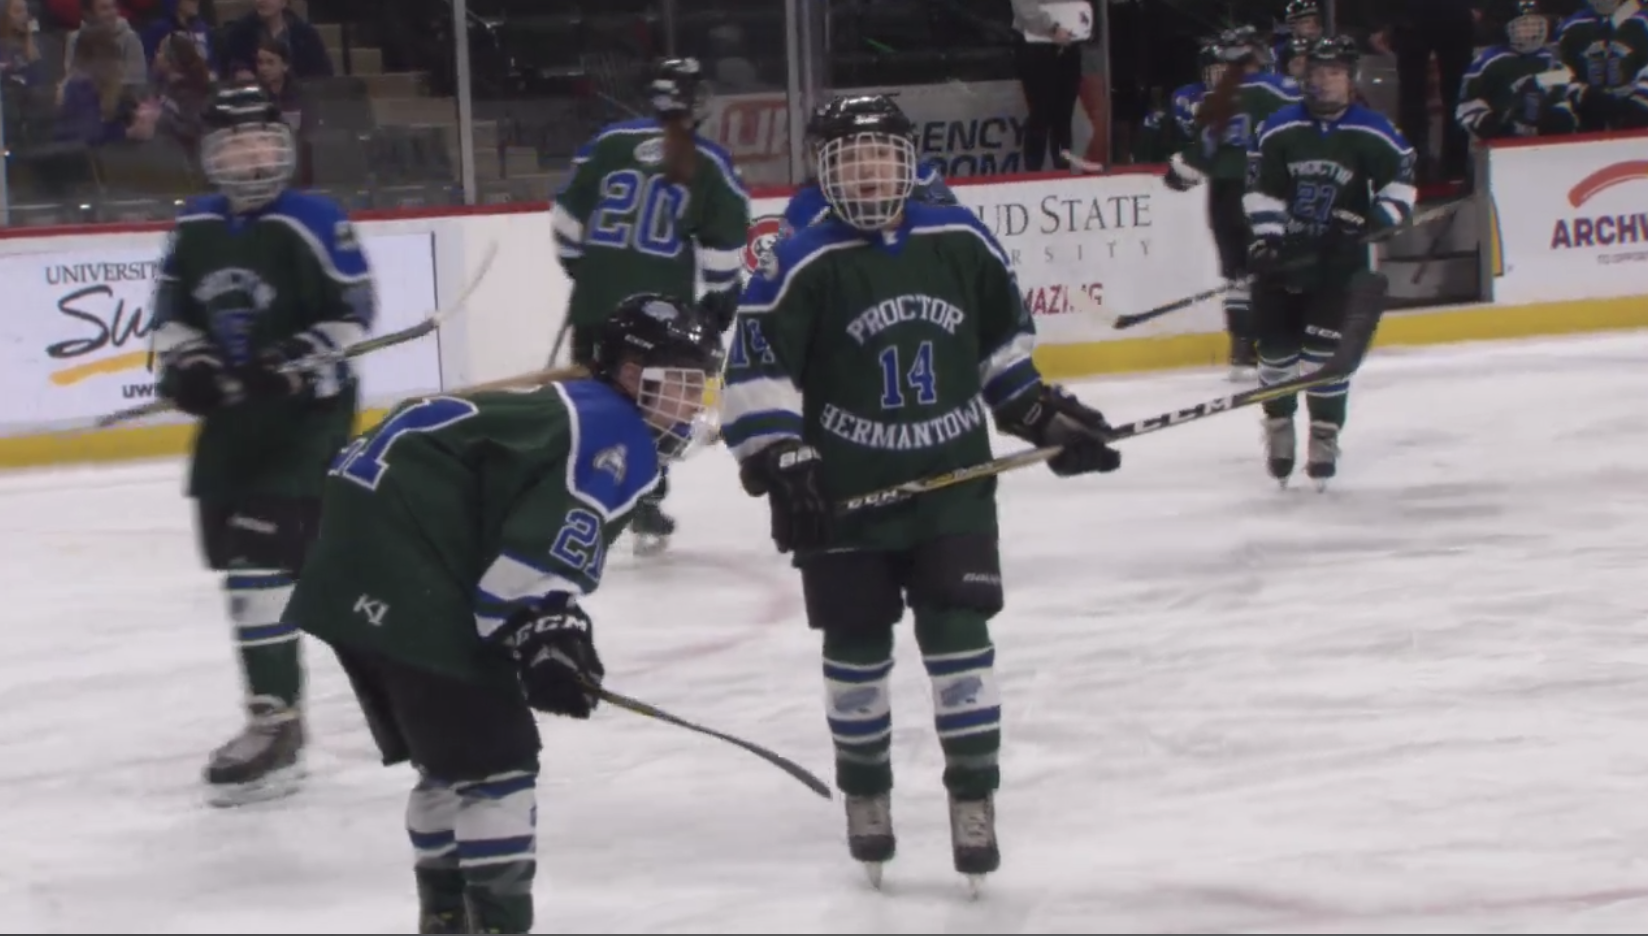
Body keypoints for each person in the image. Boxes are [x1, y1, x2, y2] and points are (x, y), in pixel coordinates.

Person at [718, 95, 1121, 891]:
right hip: (845, 497)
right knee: (858, 653)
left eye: (881, 155)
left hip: (951, 490)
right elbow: (757, 374)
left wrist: (1043, 417)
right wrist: (782, 455)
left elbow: (1001, 358)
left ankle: (973, 797)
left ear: (909, 161)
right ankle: (866, 796)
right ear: (824, 169)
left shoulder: (959, 240)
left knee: (960, 641)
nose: (868, 172)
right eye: (850, 158)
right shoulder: (799, 259)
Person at [281, 293, 722, 935]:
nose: (689, 404)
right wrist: (545, 627)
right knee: (499, 766)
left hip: (350, 565)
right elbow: (525, 569)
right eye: (678, 384)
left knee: (450, 764)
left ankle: (446, 919)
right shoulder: (616, 431)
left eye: (696, 386)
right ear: (628, 374)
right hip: (410, 570)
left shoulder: (573, 407)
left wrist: (544, 622)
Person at [148, 82, 377, 805]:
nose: (252, 155)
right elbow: (172, 317)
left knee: (258, 562)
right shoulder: (194, 227)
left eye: (262, 139)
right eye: (236, 142)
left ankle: (276, 722)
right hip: (235, 426)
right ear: (212, 154)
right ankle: (278, 714)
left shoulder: (314, 218)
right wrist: (193, 369)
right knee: (241, 571)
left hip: (306, 421)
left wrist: (293, 362)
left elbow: (355, 311)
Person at [549, 56, 750, 556]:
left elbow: (565, 226)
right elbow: (723, 258)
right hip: (660, 319)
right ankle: (642, 505)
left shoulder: (607, 144)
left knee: (593, 403)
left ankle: (579, 502)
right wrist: (718, 303)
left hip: (596, 305)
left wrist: (588, 275)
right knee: (656, 413)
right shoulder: (711, 164)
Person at [1245, 36, 1414, 488]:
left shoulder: (1373, 129)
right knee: (1276, 352)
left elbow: (1401, 187)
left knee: (1323, 355)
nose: (1323, 81)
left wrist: (1371, 220)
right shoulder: (1279, 127)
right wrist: (1268, 239)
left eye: (1334, 72)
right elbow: (1263, 190)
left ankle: (1324, 433)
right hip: (1287, 260)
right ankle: (1278, 424)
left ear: (1350, 77)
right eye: (1316, 73)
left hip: (1339, 266)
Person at [1164, 25, 1299, 381]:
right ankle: (1277, 340)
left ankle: (1242, 344)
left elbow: (1203, 150)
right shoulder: (1283, 89)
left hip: (1224, 190)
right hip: (1266, 186)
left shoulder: (1222, 97)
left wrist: (1181, 172)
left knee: (1237, 270)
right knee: (1270, 265)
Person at [779, 95, 956, 240]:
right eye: (849, 156)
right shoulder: (805, 203)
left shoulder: (922, 179)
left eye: (880, 152)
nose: (866, 168)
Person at [1457, 0, 1580, 141]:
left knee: (1560, 119)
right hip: (1504, 135)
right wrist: (1490, 123)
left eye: (1533, 25)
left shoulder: (1548, 59)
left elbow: (1567, 91)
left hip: (1544, 136)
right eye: (1523, 26)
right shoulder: (1489, 61)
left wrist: (1567, 110)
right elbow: (1468, 103)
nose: (1529, 31)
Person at [1554, 0, 1648, 131]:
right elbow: (1563, 68)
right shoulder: (1572, 25)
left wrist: (1639, 91)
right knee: (1561, 118)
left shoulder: (1642, 20)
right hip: (1588, 98)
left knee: (1638, 112)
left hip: (1636, 95)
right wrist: (1581, 92)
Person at [1272, 0, 1324, 67]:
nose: (1313, 25)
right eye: (1306, 21)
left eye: (1317, 21)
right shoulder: (1280, 52)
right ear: (1293, 26)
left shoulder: (1326, 50)